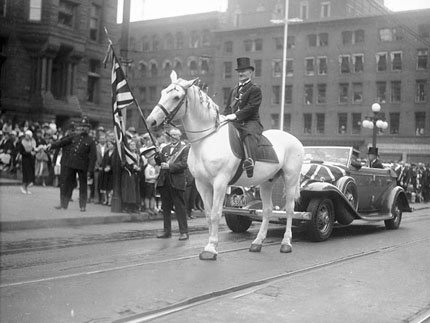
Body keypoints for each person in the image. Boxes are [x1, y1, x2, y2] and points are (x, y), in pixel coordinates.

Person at [223, 57, 263, 177]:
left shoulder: (255, 89)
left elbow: (252, 107)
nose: (240, 73)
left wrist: (235, 115)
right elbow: (228, 108)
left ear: (250, 72)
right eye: (239, 71)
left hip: (250, 121)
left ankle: (250, 162)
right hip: (234, 121)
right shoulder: (234, 90)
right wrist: (224, 117)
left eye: (244, 71)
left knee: (248, 133)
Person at [48, 116, 96, 211]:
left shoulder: (91, 141)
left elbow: (93, 157)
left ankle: (82, 206)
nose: (84, 128)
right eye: (82, 126)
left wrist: (90, 170)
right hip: (71, 164)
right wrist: (52, 145)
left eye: (86, 126)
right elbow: (63, 142)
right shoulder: (74, 136)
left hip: (83, 167)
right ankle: (63, 204)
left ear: (88, 128)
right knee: (67, 184)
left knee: (83, 186)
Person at [155, 128, 190, 240]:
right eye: (171, 135)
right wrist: (157, 154)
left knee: (180, 207)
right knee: (165, 207)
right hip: (165, 181)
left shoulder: (184, 149)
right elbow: (160, 162)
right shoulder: (165, 148)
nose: (173, 137)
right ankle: (167, 231)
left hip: (177, 181)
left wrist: (170, 166)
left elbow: (184, 164)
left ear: (179, 137)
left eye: (175, 135)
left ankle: (184, 232)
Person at [17, 130, 36, 194]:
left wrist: (34, 152)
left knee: (30, 173)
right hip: (25, 159)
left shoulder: (32, 142)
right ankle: (23, 187)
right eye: (26, 135)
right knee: (26, 173)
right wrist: (29, 153)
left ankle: (26, 188)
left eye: (28, 135)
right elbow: (21, 152)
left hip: (31, 159)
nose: (26, 137)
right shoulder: (22, 142)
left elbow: (33, 149)